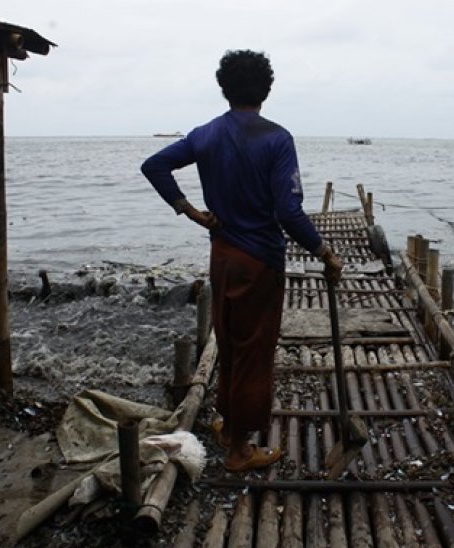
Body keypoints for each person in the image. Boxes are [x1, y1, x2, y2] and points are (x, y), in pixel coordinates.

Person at [141, 49, 343, 472]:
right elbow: (288, 212)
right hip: (260, 261)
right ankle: (239, 451)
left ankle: (229, 427)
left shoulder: (207, 134)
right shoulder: (276, 139)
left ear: (224, 88)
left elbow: (155, 165)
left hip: (223, 255)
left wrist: (190, 211)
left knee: (230, 342)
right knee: (254, 352)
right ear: (267, 90)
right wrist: (324, 251)